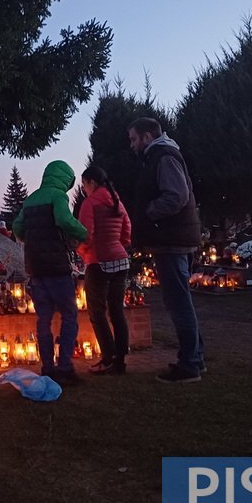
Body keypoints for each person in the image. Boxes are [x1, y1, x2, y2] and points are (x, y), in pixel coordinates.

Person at [128, 117, 205, 383]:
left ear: (148, 136)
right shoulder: (160, 156)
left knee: (178, 301)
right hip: (172, 237)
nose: (132, 145)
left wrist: (150, 213)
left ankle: (189, 365)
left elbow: (176, 195)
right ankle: (197, 357)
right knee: (179, 299)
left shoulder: (164, 157)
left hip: (172, 239)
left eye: (134, 139)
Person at [12, 160, 88, 386]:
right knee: (69, 315)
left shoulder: (30, 199)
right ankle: (65, 366)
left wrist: (31, 240)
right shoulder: (58, 197)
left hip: (35, 268)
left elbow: (17, 227)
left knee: (43, 318)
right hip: (56, 266)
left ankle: (47, 367)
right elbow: (64, 220)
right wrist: (84, 234)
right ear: (65, 179)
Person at [77, 166, 132, 375]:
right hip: (120, 261)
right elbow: (127, 228)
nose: (83, 189)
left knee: (97, 312)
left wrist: (83, 253)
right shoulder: (116, 200)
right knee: (117, 311)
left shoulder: (90, 203)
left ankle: (108, 357)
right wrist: (119, 245)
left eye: (84, 185)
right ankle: (121, 358)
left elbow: (85, 234)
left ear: (91, 182)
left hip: (99, 262)